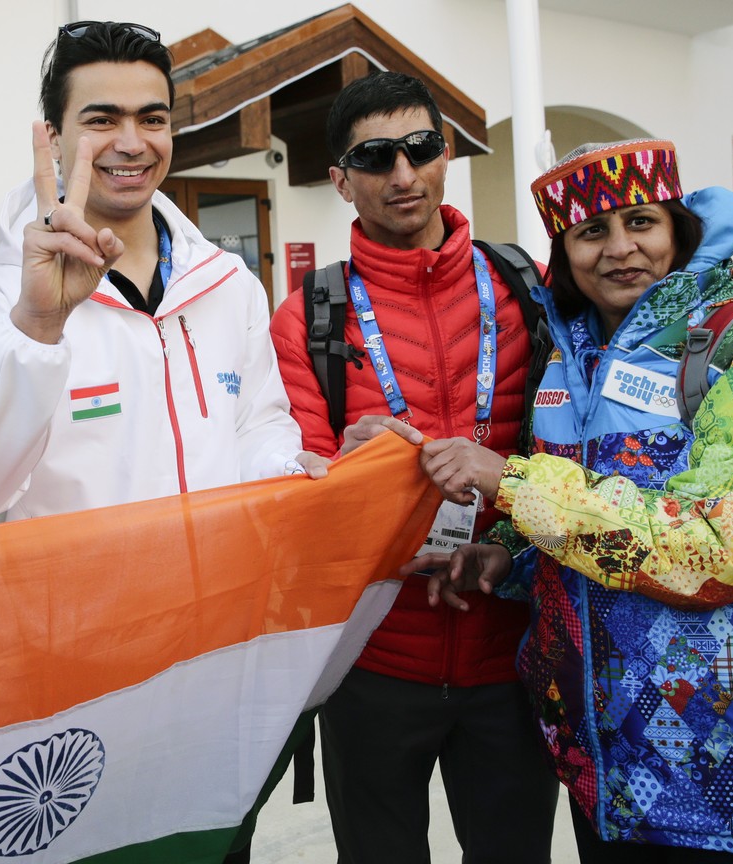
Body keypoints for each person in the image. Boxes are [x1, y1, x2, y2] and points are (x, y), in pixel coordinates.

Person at [409, 139, 733, 861]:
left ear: (677, 228)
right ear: (565, 249)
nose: (620, 249)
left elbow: (730, 547)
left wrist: (515, 484)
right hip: (610, 775)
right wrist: (509, 556)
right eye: (592, 231)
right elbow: (576, 520)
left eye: (641, 222)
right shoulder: (565, 360)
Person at [268, 71, 557, 864]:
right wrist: (342, 478)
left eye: (421, 148)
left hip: (510, 650)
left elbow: (571, 456)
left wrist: (518, 552)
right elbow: (290, 488)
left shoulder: (523, 288)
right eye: (375, 157)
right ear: (340, 180)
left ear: (447, 153)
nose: (403, 175)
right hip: (373, 665)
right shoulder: (309, 317)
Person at [0, 20, 322, 530]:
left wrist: (288, 467)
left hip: (221, 602)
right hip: (84, 611)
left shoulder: (228, 281)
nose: (133, 143)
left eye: (152, 119)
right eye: (103, 120)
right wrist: (38, 327)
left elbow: (255, 428)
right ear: (53, 136)